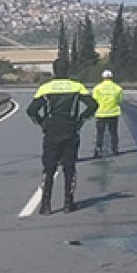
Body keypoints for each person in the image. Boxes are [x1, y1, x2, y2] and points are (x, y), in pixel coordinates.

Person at [26, 59, 97, 214]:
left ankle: (45, 205)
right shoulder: (77, 86)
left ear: (54, 70)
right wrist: (81, 120)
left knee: (49, 169)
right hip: (70, 130)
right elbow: (93, 105)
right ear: (68, 70)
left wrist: (42, 123)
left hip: (51, 132)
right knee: (69, 168)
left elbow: (31, 110)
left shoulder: (45, 88)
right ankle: (68, 203)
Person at [92, 69, 124, 157]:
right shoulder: (118, 88)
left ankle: (98, 149)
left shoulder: (97, 88)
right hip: (113, 113)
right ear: (111, 77)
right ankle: (115, 149)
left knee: (100, 133)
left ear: (102, 77)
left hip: (101, 113)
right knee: (113, 132)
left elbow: (94, 101)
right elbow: (120, 100)